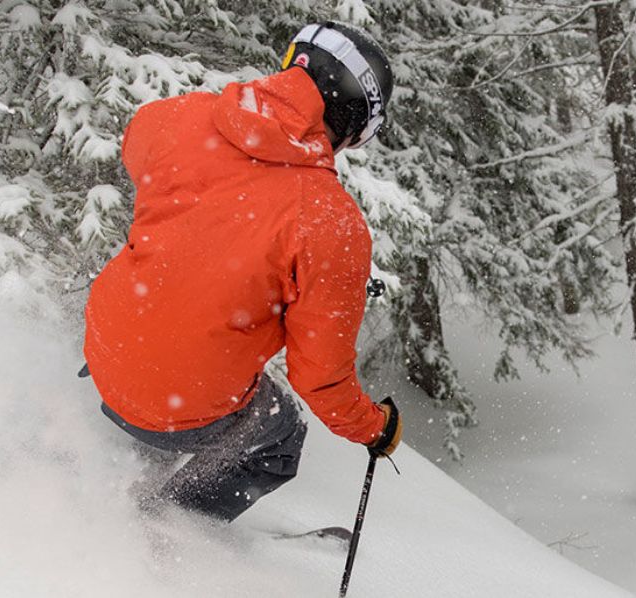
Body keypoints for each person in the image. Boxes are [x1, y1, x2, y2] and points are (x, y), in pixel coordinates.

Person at [82, 21, 402, 522]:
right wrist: (374, 429)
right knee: (280, 437)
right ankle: (170, 531)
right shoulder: (330, 221)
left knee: (175, 366)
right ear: (349, 121)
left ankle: (126, 459)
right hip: (180, 396)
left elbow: (140, 151)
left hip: (106, 349)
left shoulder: (175, 117)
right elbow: (321, 381)